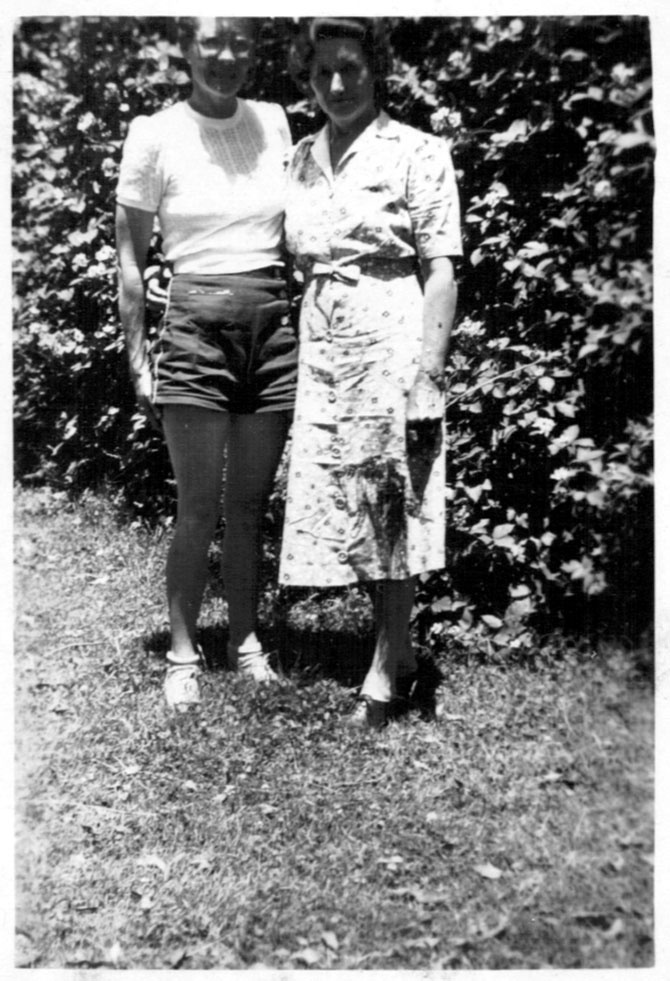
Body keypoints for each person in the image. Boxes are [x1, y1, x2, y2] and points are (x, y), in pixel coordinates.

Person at [280, 18, 461, 728]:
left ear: (375, 68)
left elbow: (442, 267)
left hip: (391, 337)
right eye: (322, 71)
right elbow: (298, 259)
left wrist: (429, 374)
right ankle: (401, 649)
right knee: (347, 498)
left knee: (391, 500)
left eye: (350, 68)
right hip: (323, 347)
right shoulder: (299, 157)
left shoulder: (417, 150)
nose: (336, 85)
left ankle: (386, 674)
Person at [115, 17, 297, 710]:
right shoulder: (153, 133)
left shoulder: (277, 121)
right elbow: (130, 260)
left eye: (241, 45)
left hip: (272, 327)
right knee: (197, 506)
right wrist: (137, 356)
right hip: (192, 326)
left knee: (249, 505)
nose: (226, 58)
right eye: (211, 44)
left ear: (256, 52)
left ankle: (245, 641)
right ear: (186, 49)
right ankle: (183, 651)